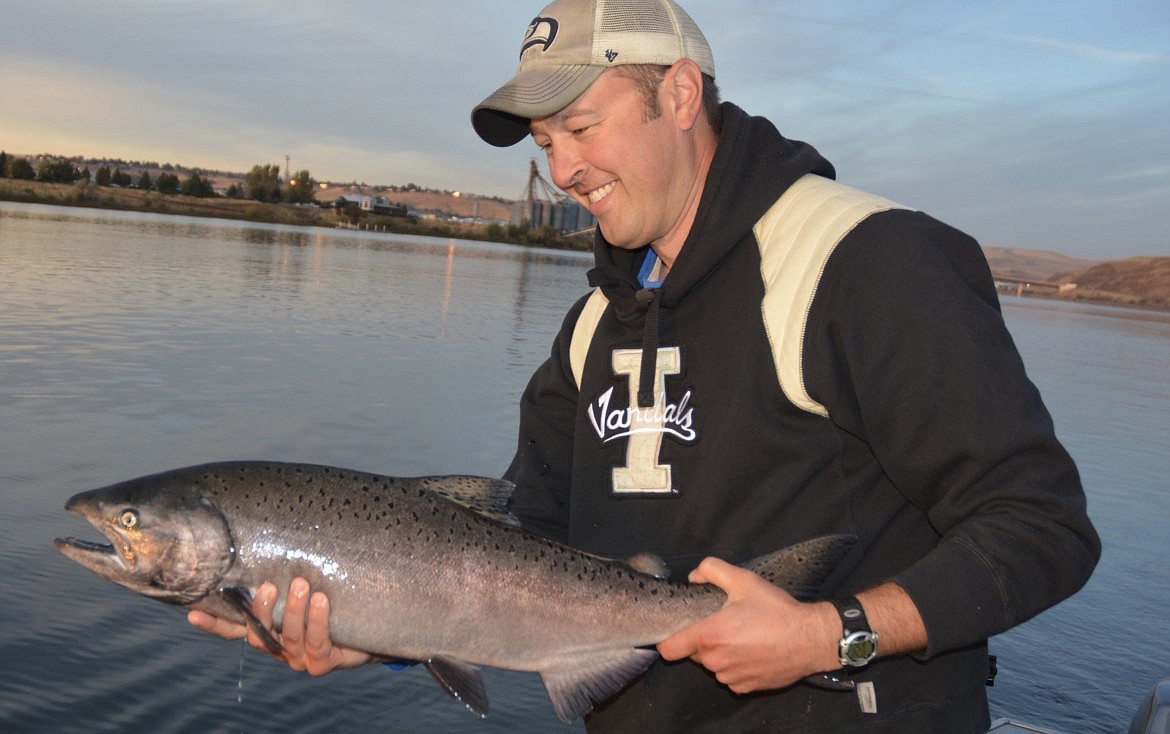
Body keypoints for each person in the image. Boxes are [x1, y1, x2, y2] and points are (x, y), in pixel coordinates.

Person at [190, 0, 1101, 730]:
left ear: (678, 93)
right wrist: (369, 631)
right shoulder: (593, 327)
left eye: (582, 125)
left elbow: (1042, 528)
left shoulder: (867, 262)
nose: (564, 168)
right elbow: (509, 552)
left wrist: (832, 633)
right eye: (544, 144)